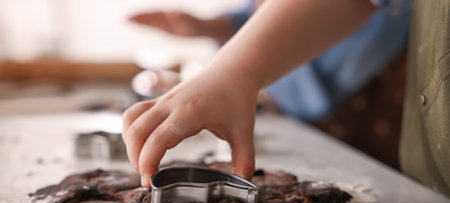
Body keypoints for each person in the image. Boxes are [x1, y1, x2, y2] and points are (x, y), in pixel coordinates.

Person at [122, 0, 450, 199]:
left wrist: (237, 68)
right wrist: (220, 41)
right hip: (300, 107)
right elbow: (260, 12)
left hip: (372, 100)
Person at [129, 1, 411, 121]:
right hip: (297, 101)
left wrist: (238, 72)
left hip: (367, 96)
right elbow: (260, 17)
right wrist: (209, 27)